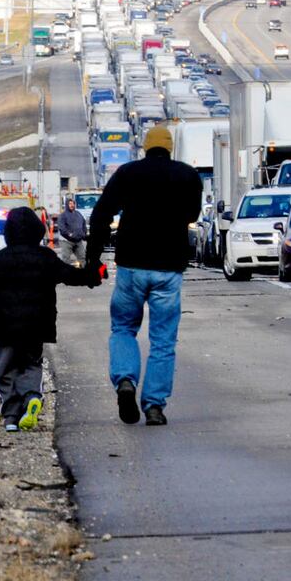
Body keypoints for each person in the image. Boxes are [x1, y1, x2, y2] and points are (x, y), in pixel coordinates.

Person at [86, 124, 203, 427]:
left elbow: (101, 214)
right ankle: (154, 407)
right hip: (169, 269)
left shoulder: (127, 174)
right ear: (170, 147)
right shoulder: (188, 176)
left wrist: (92, 257)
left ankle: (125, 380)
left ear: (145, 147)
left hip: (131, 267)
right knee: (163, 341)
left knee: (123, 328)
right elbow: (192, 215)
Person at [0, 207, 100, 432]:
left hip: (5, 329)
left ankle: (11, 416)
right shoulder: (45, 257)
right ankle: (32, 397)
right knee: (31, 364)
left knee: (6, 371)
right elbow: (70, 276)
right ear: (37, 230)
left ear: (8, 233)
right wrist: (94, 274)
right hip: (36, 326)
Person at [57, 197, 88, 266]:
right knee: (66, 260)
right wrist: (69, 234)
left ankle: (85, 275)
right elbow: (62, 228)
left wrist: (83, 233)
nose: (72, 205)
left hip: (78, 241)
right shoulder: (63, 215)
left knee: (83, 258)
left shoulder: (78, 214)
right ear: (66, 205)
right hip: (66, 241)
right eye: (70, 203)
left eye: (73, 203)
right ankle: (66, 276)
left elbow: (83, 223)